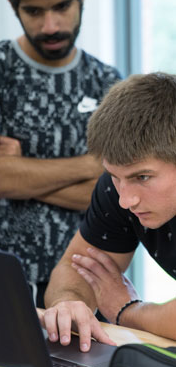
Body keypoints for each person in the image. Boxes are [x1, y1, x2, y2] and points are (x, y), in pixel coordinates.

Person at [0, 0, 121, 307]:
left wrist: (17, 172)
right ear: (14, 6)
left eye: (61, 6)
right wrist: (90, 165)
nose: (50, 26)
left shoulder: (108, 82)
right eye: (33, 11)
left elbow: (115, 195)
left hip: (86, 276)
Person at [40, 72, 176, 352]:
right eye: (115, 176)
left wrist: (128, 311)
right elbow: (77, 266)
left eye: (143, 177)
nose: (126, 200)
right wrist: (68, 302)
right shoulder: (117, 190)